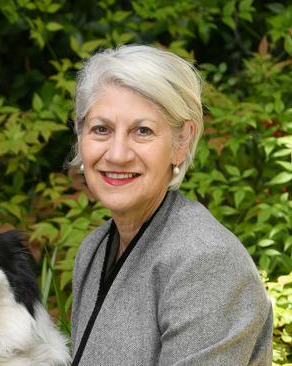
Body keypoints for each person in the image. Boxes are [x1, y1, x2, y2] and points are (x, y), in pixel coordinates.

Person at [68, 45, 272, 365]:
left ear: (181, 142)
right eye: (101, 129)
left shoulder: (204, 261)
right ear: (81, 136)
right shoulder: (93, 251)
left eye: (143, 131)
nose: (117, 153)